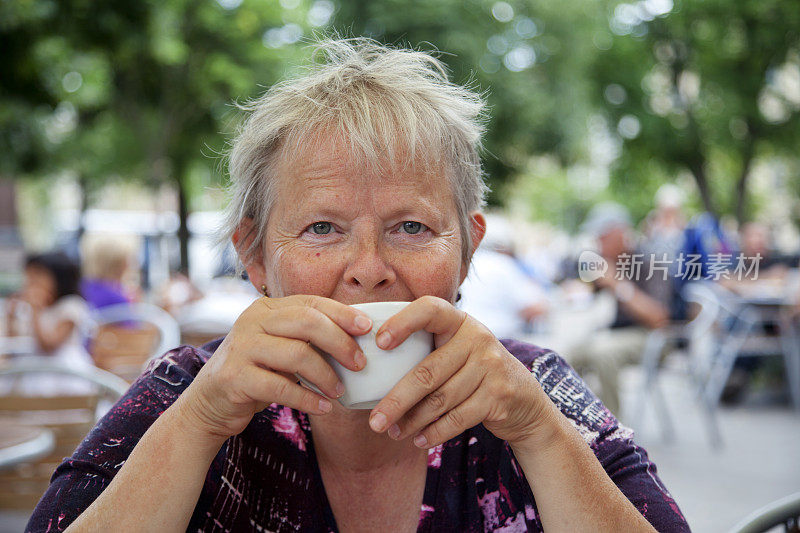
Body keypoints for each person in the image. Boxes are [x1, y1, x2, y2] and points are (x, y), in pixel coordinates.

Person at [28, 39, 688, 532]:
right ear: (256, 258)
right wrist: (199, 421)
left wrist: (539, 432)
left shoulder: (531, 391)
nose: (368, 265)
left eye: (410, 225)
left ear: (467, 252)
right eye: (321, 227)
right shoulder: (188, 392)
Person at [565, 203, 671, 414]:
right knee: (569, 355)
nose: (598, 242)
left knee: (604, 354)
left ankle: (613, 431)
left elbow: (659, 318)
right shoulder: (611, 262)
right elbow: (585, 290)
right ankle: (576, 420)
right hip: (618, 334)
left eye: (602, 236)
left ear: (620, 234)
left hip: (652, 337)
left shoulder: (650, 260)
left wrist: (618, 285)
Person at [2, 251, 94, 395]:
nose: (31, 283)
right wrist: (11, 316)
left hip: (61, 374)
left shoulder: (71, 306)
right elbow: (15, 341)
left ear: (59, 278)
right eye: (29, 277)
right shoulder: (31, 308)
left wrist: (36, 310)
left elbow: (49, 345)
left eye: (37, 277)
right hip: (32, 369)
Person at [79, 236, 139, 311]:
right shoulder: (114, 297)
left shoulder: (86, 285)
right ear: (116, 264)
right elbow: (130, 320)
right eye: (126, 260)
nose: (129, 265)